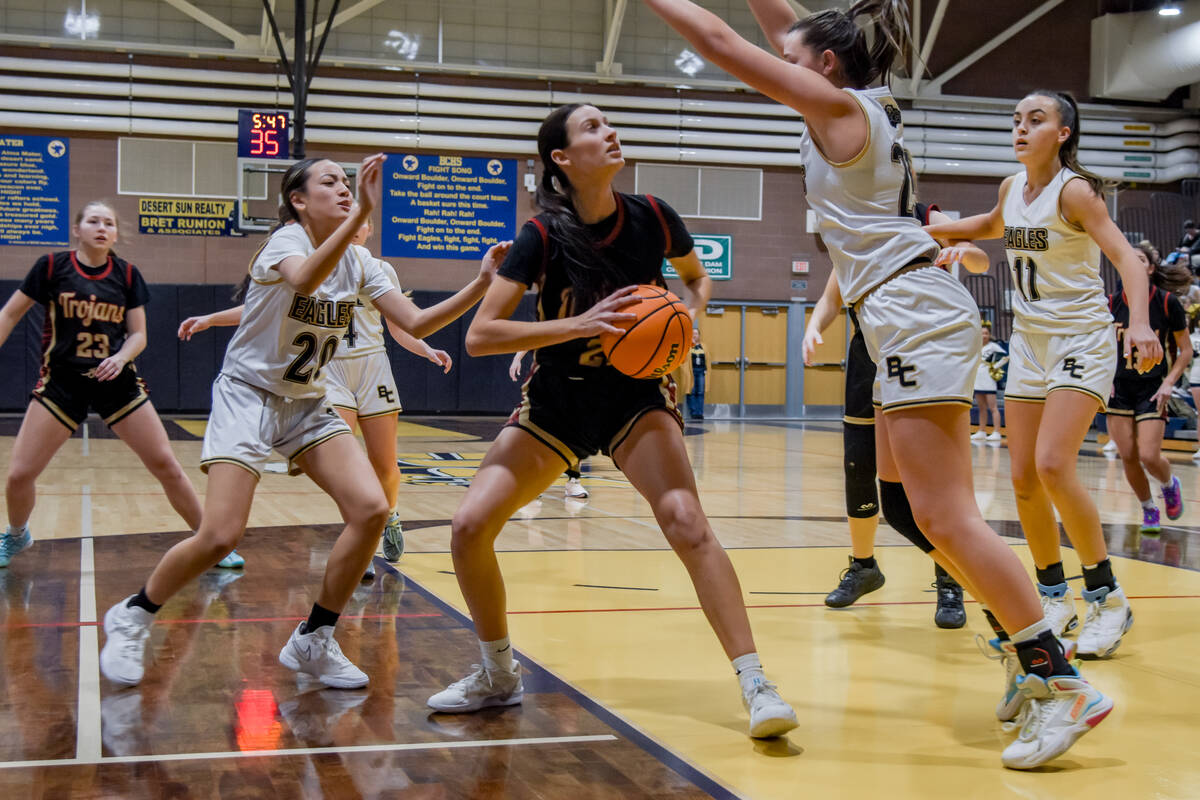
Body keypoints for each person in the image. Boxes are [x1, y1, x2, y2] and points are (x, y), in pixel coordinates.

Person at [648, 0, 1142, 767]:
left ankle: (1059, 678)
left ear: (823, 67)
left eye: (792, 52)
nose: (781, 54)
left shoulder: (842, 109)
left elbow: (718, 40)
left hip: (913, 313)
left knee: (947, 518)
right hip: (904, 312)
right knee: (917, 510)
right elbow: (784, 25)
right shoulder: (864, 99)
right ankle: (1026, 650)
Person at [427, 103, 799, 740]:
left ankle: (756, 681)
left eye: (610, 124)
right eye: (593, 128)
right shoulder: (539, 235)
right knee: (467, 526)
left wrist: (686, 319)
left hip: (634, 398)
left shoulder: (654, 216)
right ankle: (497, 672)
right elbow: (482, 335)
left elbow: (695, 279)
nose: (612, 133)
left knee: (687, 521)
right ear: (562, 160)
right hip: (557, 403)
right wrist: (578, 325)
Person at [98, 154, 508, 689]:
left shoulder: (363, 264)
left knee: (371, 508)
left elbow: (419, 321)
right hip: (249, 394)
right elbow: (308, 280)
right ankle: (134, 614)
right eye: (330, 183)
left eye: (347, 183)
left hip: (306, 400)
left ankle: (315, 638)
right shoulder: (286, 243)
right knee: (221, 534)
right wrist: (361, 205)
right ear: (298, 199)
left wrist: (480, 282)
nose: (343, 190)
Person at [926, 89, 1161, 660]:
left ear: (1063, 133)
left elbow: (1128, 259)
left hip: (1081, 339)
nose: (1021, 128)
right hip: (1029, 343)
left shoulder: (1075, 191)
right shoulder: (1012, 188)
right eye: (1016, 120)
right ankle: (1054, 595)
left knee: (1055, 465)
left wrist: (1139, 323)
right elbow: (988, 224)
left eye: (1036, 120)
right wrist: (933, 231)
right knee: (1025, 478)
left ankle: (1107, 597)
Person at [178, 218, 455, 567]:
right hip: (330, 365)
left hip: (372, 365)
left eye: (363, 220)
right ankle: (362, 546)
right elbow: (262, 306)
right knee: (348, 458)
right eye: (348, 217)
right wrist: (212, 318)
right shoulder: (306, 262)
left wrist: (426, 349)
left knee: (385, 466)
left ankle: (390, 513)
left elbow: (402, 326)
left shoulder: (377, 268)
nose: (355, 225)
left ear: (369, 229)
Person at [0, 200, 205, 569]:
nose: (101, 227)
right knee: (19, 474)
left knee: (166, 465)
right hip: (62, 382)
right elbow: (10, 313)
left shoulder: (126, 275)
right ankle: (17, 534)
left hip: (117, 382)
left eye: (108, 223)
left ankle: (209, 541)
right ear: (77, 230)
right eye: (93, 220)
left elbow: (138, 335)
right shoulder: (51, 267)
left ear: (115, 233)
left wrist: (121, 357)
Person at [805, 201, 978, 629]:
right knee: (858, 463)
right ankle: (864, 567)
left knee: (929, 479)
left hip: (920, 347)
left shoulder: (923, 215)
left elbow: (978, 253)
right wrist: (814, 326)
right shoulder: (855, 223)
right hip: (870, 349)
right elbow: (833, 293)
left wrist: (962, 252)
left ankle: (950, 578)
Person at [1106, 241, 1190, 533]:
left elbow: (1186, 350)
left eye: (1139, 259)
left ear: (1151, 268)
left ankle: (1169, 484)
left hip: (1153, 387)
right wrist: (1102, 380)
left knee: (1149, 455)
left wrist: (1169, 383)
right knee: (1127, 454)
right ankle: (1148, 509)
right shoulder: (1109, 303)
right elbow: (1097, 346)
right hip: (1117, 386)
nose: (1132, 262)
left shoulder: (1167, 302)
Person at [509, 350, 589, 499]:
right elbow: (532, 334)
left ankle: (574, 481)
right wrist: (517, 358)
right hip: (548, 378)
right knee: (536, 430)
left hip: (578, 378)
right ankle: (531, 480)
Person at [971, 320, 1008, 444]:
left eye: (986, 333)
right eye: (981, 333)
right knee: (981, 407)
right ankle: (981, 430)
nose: (983, 335)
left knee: (993, 407)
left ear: (989, 334)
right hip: (978, 379)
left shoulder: (993, 346)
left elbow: (1005, 357)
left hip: (989, 379)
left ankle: (996, 431)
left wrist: (995, 366)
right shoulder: (975, 347)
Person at [687, 327, 707, 419]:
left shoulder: (703, 346)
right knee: (692, 391)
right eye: (693, 334)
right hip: (691, 372)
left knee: (700, 392)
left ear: (699, 335)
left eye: (696, 334)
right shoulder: (688, 346)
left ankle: (700, 412)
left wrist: (706, 370)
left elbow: (707, 359)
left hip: (701, 371)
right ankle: (693, 412)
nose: (694, 335)